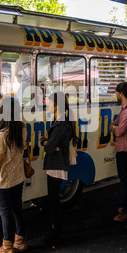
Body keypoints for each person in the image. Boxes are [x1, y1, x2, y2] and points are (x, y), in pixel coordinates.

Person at [0, 97, 27, 253]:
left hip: (4, 180)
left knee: (5, 213)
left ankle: (7, 247)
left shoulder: (3, 134)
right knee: (17, 209)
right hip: (19, 177)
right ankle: (20, 241)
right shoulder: (22, 128)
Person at [40, 92, 78, 243]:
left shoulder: (60, 124)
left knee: (53, 199)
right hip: (56, 163)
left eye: (49, 103)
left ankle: (56, 230)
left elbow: (49, 148)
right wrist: (48, 143)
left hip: (57, 164)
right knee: (53, 199)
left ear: (56, 105)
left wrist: (44, 141)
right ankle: (56, 227)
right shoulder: (60, 122)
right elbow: (51, 146)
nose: (47, 105)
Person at [109, 82, 127, 222]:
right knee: (125, 178)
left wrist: (115, 128)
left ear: (121, 93)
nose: (116, 94)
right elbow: (115, 125)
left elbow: (118, 129)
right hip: (122, 147)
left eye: (117, 92)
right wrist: (115, 127)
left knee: (125, 179)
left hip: (125, 149)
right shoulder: (126, 108)